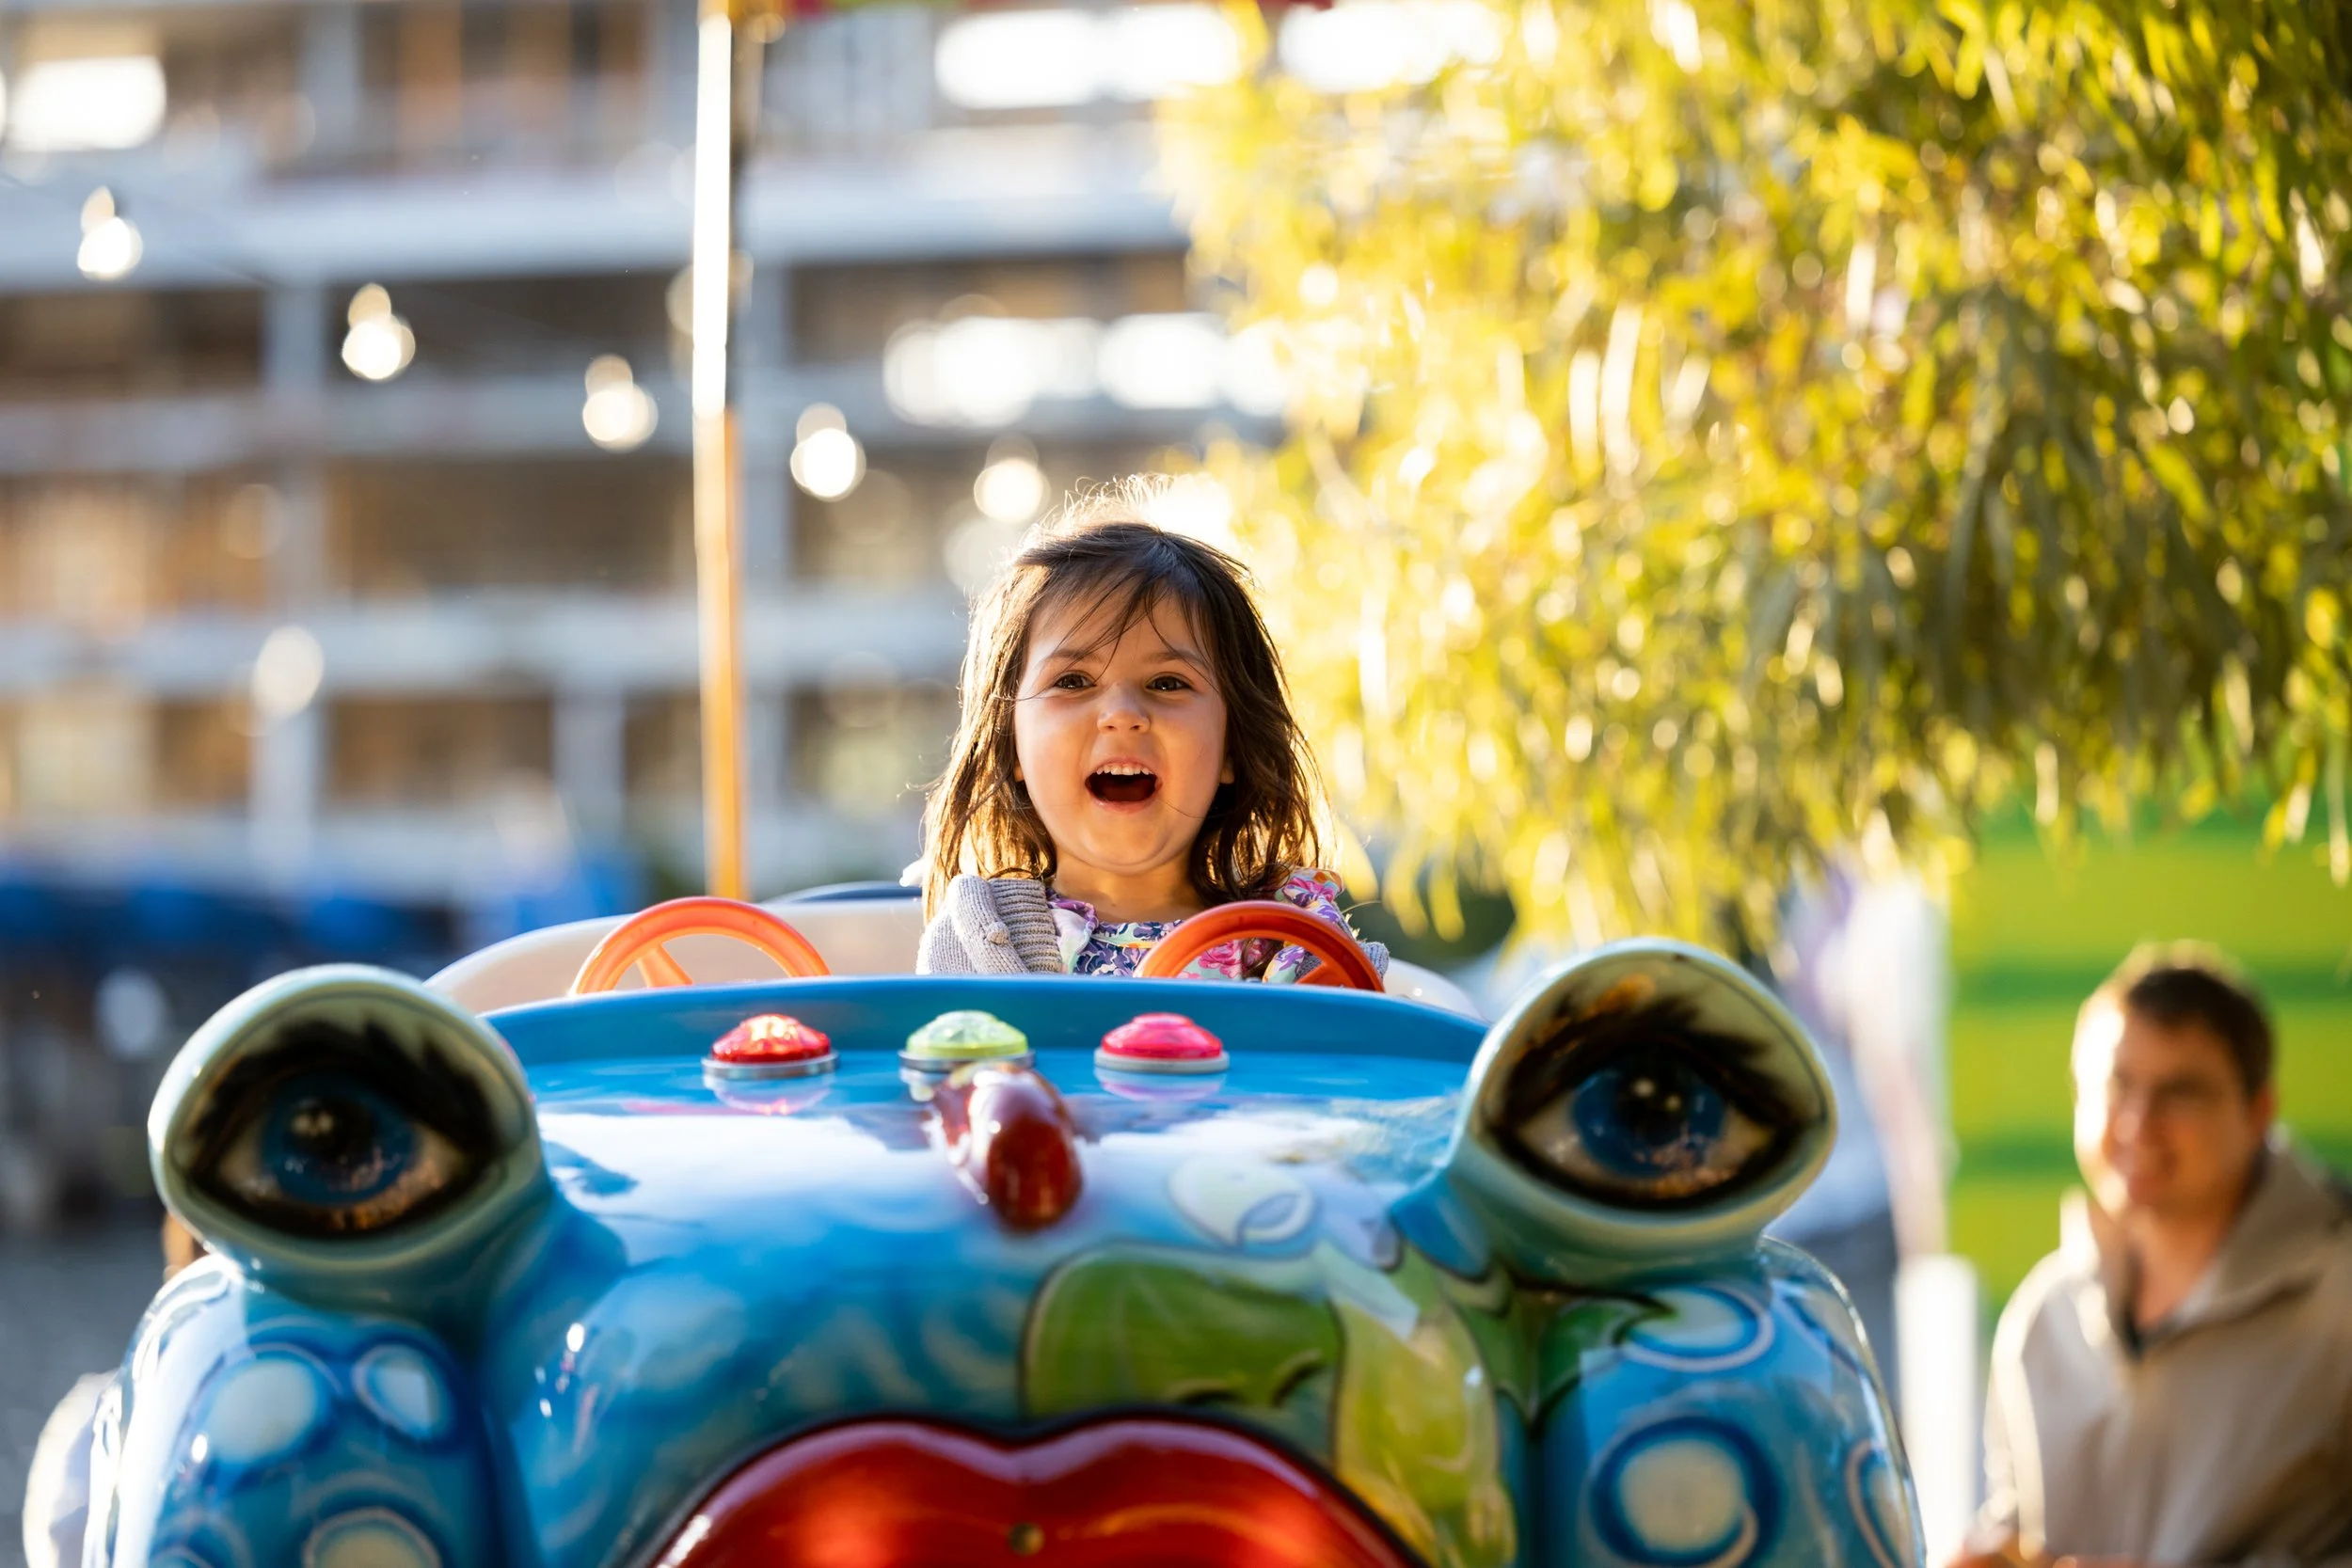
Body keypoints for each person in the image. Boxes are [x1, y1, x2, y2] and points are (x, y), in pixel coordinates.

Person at [1953, 942, 2352, 1568]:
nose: (2138, 1123)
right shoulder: (2041, 1316)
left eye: (2181, 1092)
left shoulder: (2340, 1298)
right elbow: (2016, 1526)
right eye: (2116, 1085)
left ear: (2259, 1112)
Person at [916, 483, 1386, 983]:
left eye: (1167, 683)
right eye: (1073, 681)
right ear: (1012, 745)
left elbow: (1349, 1029)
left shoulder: (1293, 939)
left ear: (1232, 747)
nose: (1122, 714)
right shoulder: (978, 937)